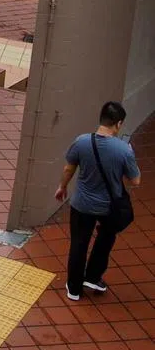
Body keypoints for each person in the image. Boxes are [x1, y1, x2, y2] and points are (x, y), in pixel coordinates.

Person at [57, 101, 140, 301]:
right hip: (109, 207)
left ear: (101, 119)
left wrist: (62, 187)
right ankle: (93, 277)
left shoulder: (82, 141)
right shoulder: (123, 150)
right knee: (105, 239)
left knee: (79, 244)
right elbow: (135, 181)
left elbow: (69, 168)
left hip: (82, 204)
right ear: (119, 124)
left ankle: (74, 289)